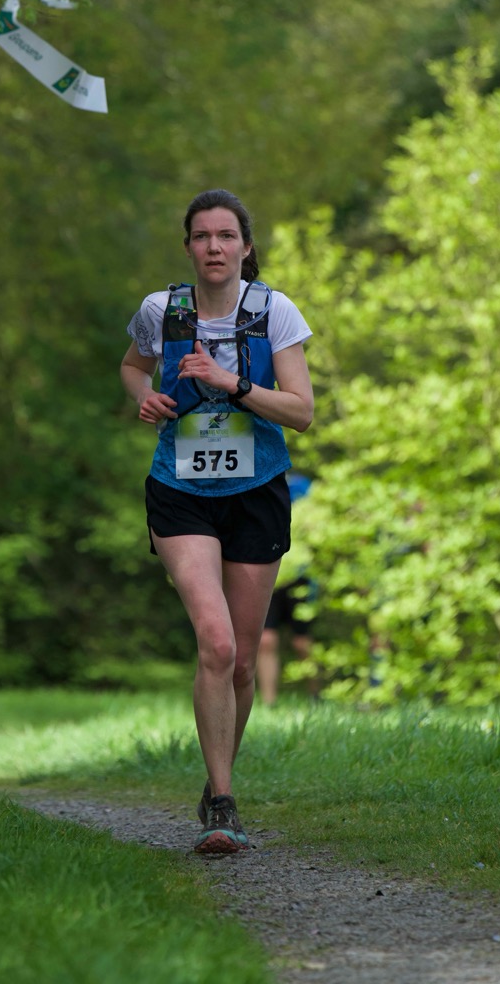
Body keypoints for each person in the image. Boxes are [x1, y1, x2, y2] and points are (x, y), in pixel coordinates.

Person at [120, 188, 314, 854]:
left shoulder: (273, 310)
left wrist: (232, 383)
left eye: (226, 236)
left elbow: (301, 411)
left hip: (256, 490)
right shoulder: (161, 310)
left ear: (245, 247)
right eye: (201, 236)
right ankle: (223, 806)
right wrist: (146, 397)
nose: (213, 247)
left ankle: (216, 782)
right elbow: (131, 367)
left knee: (242, 665)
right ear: (187, 247)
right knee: (218, 643)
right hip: (181, 491)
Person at [256, 474, 319, 706]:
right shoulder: (257, 480)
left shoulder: (303, 486)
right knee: (266, 640)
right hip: (267, 572)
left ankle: (315, 696)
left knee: (302, 642)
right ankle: (269, 703)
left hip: (301, 576)